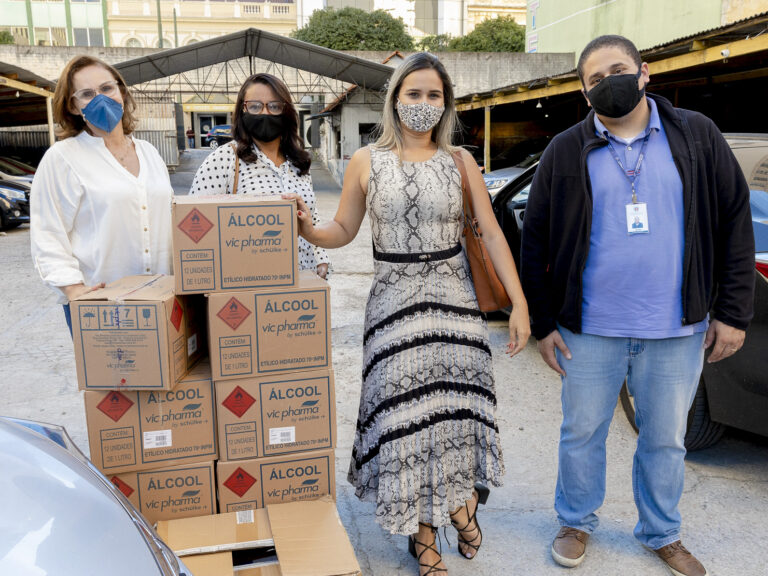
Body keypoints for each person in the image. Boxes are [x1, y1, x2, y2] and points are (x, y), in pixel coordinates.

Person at [283, 52, 530, 576]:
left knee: (453, 417)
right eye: (413, 94)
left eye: (433, 95)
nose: (423, 105)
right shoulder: (365, 161)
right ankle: (424, 540)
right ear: (396, 99)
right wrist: (308, 228)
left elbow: (490, 232)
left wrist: (519, 302)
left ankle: (462, 511)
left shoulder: (461, 162)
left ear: (446, 103)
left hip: (455, 306)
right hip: (392, 305)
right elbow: (343, 230)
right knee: (405, 424)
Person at [521, 35, 754, 576]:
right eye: (595, 80)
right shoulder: (565, 149)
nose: (609, 83)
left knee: (666, 439)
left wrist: (732, 312)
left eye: (618, 70)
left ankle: (662, 532)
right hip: (590, 329)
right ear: (584, 94)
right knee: (582, 433)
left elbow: (733, 219)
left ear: (645, 73)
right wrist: (544, 323)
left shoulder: (695, 135)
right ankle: (576, 521)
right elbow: (535, 242)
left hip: (676, 328)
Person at [30, 55, 174, 336]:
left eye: (107, 88)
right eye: (86, 94)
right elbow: (48, 233)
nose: (100, 99)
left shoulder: (149, 153)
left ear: (121, 90)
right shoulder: (63, 158)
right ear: (73, 105)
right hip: (102, 306)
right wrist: (74, 290)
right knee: (116, 381)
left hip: (161, 300)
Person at [189, 73, 330, 278]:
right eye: (255, 106)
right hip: (251, 288)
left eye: (274, 106)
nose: (265, 113)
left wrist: (321, 256)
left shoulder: (298, 162)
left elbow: (311, 218)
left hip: (304, 284)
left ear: (286, 111)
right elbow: (195, 226)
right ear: (242, 110)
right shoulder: (225, 159)